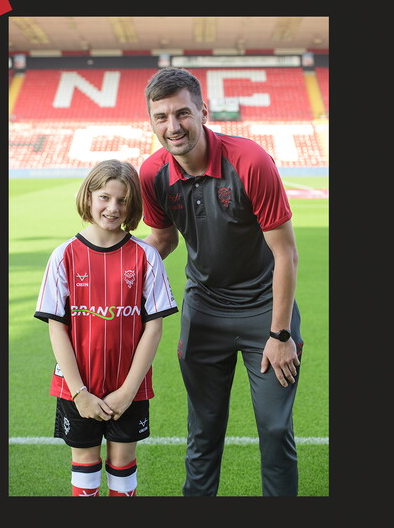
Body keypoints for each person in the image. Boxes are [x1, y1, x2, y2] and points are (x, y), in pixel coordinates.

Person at [139, 67, 303, 497]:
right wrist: (118, 274)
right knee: (203, 430)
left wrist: (281, 333)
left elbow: (286, 253)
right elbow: (161, 239)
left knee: (274, 428)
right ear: (152, 121)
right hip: (204, 312)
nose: (172, 127)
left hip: (264, 313)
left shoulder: (250, 161)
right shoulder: (152, 173)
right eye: (161, 117)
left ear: (203, 111)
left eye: (182, 114)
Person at [34, 159, 178, 497]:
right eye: (104, 197)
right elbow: (57, 329)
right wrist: (79, 393)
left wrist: (128, 391)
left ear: (133, 206)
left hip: (128, 386)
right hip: (78, 386)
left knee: (123, 462)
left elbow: (153, 329)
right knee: (84, 464)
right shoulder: (64, 255)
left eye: (123, 200)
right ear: (88, 197)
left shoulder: (145, 257)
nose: (113, 208)